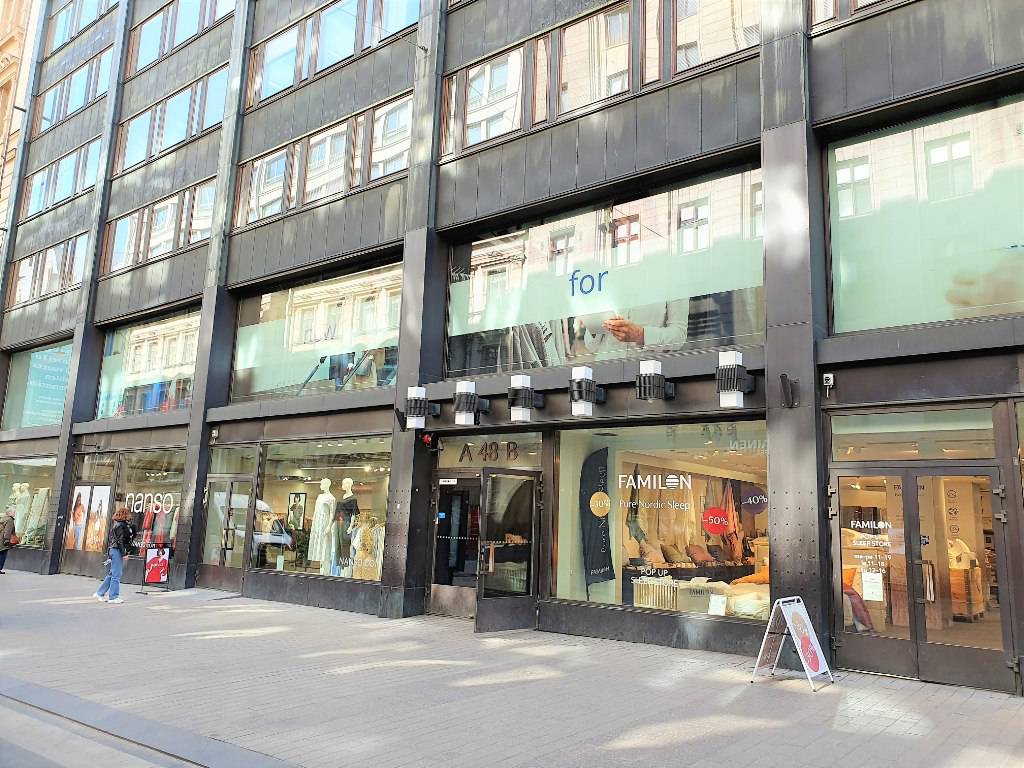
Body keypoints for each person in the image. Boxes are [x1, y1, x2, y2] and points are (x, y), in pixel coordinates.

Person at [94, 508, 134, 604]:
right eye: (128, 514)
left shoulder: (117, 524)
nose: (130, 516)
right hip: (117, 551)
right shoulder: (122, 526)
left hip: (114, 550)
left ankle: (100, 593)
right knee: (116, 574)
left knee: (112, 573)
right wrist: (124, 554)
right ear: (125, 514)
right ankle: (113, 597)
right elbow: (120, 541)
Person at [0, 507, 16, 574]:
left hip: (0, 538)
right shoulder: (10, 520)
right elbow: (8, 531)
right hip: (3, 540)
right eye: (14, 512)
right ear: (9, 513)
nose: (15, 513)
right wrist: (7, 540)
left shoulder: (3, 519)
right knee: (2, 554)